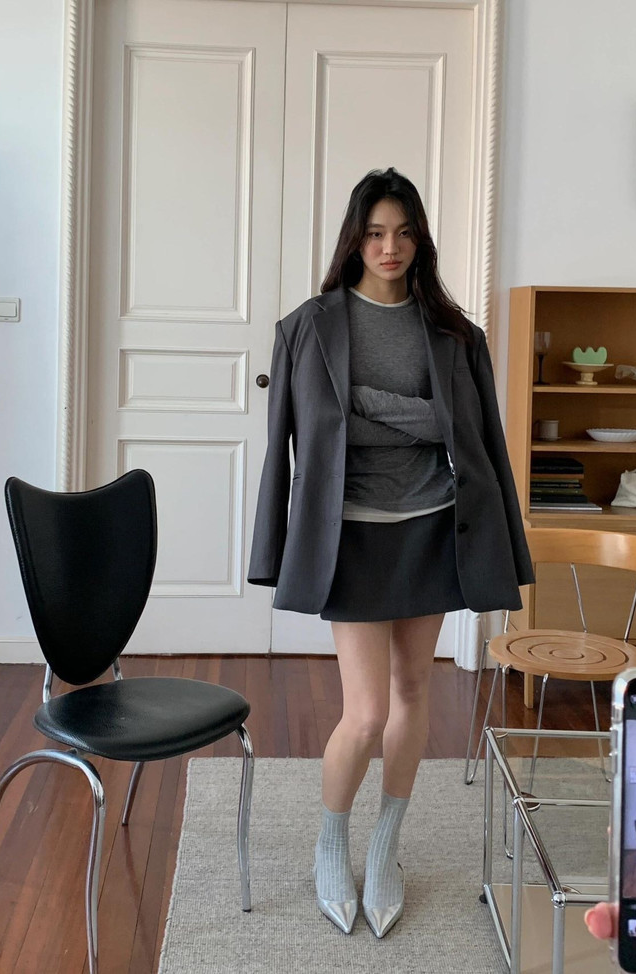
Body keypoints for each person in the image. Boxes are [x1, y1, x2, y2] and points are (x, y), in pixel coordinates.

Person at [247, 167, 534, 937]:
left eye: (403, 233)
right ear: (355, 240)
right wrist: (415, 418)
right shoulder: (308, 328)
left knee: (413, 693)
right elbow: (296, 445)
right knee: (366, 712)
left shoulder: (455, 333)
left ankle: (384, 847)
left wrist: (371, 407)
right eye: (375, 233)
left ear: (420, 240)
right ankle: (331, 843)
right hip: (351, 536)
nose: (390, 247)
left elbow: (467, 434)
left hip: (433, 527)